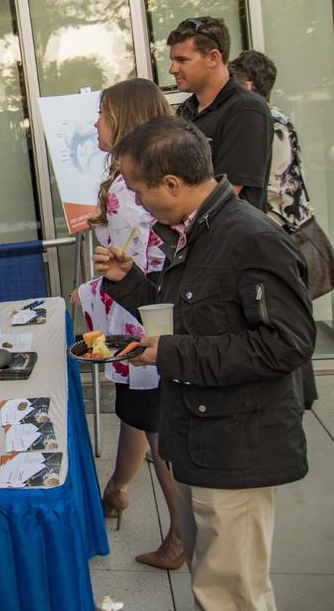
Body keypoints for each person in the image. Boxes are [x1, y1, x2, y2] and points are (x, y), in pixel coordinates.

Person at [94, 115, 313, 611]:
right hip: (200, 436)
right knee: (211, 582)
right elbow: (188, 315)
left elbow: (286, 345)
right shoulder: (195, 231)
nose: (135, 201)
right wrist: (127, 282)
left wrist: (169, 352)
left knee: (231, 595)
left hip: (237, 446)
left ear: (172, 183)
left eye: (137, 189)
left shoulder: (250, 237)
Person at [75, 78, 184, 569]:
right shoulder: (146, 176)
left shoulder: (126, 184)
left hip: (139, 323)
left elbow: (129, 264)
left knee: (157, 431)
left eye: (101, 114)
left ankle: (180, 537)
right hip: (152, 316)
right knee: (138, 415)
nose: (95, 124)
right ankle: (116, 488)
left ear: (122, 119)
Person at [229, 49, 322, 408]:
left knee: (283, 320)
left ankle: (297, 397)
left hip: (279, 231)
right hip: (277, 229)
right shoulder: (270, 117)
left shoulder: (269, 121)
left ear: (249, 85)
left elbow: (273, 184)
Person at [167, 16, 271, 210]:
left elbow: (226, 192)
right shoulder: (185, 110)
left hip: (232, 237)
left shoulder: (247, 109)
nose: (172, 69)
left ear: (213, 58)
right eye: (172, 60)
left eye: (182, 60)